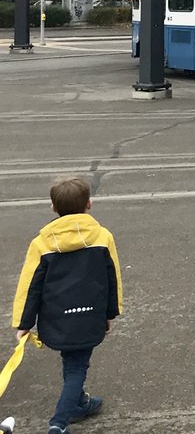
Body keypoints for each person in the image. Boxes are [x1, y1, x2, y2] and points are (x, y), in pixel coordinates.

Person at [12, 175, 122, 434]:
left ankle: (79, 402)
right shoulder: (102, 237)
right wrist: (110, 313)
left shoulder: (41, 244)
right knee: (76, 366)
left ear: (53, 208)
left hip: (56, 318)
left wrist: (24, 323)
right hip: (89, 315)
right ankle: (59, 423)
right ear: (89, 204)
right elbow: (112, 278)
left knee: (71, 360)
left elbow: (30, 286)